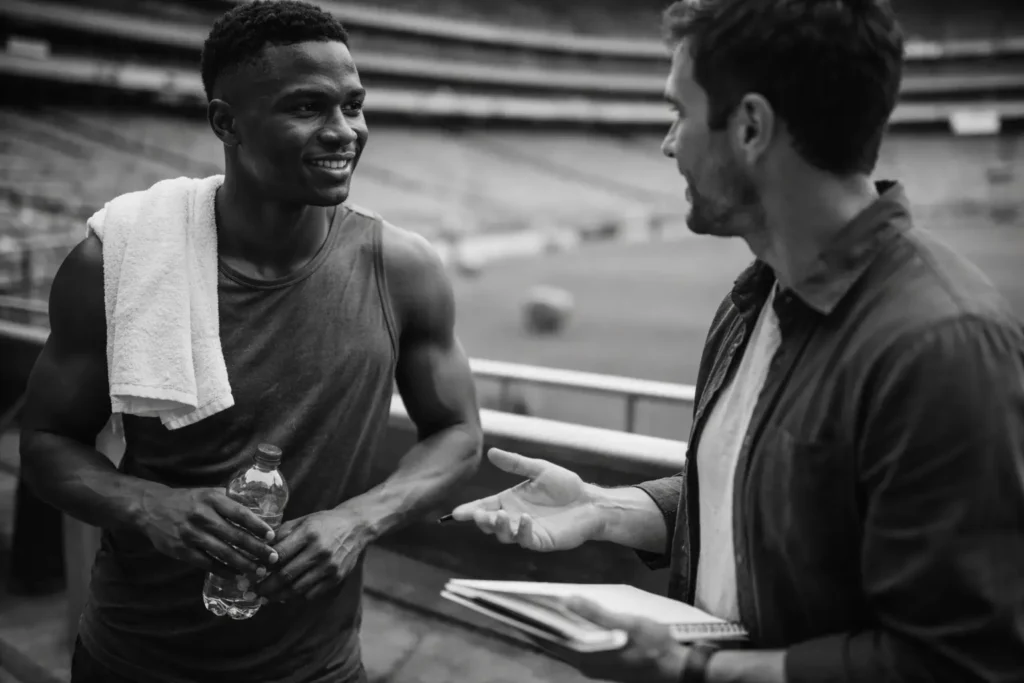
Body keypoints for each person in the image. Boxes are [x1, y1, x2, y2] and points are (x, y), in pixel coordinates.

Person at [451, 0, 1024, 681]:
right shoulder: (753, 300)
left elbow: (957, 660)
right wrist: (603, 508)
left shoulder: (944, 346)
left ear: (751, 127)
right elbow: (769, 504)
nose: (669, 144)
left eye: (679, 112)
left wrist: (689, 669)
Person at [19, 2, 482, 682]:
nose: (344, 131)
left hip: (319, 668)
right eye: (307, 107)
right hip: (134, 657)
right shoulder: (114, 262)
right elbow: (44, 443)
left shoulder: (403, 269)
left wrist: (357, 520)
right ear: (226, 122)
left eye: (353, 105)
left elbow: (459, 433)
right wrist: (148, 504)